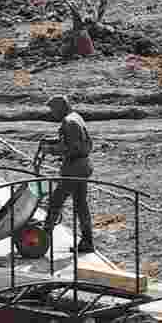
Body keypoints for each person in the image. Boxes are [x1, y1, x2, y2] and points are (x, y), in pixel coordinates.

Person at [42, 95, 95, 253]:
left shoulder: (68, 122)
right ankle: (87, 241)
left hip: (74, 168)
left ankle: (42, 241)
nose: (52, 113)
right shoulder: (75, 117)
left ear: (60, 108)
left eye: (53, 110)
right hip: (83, 166)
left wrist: (51, 150)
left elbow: (73, 148)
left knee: (55, 201)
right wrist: (53, 141)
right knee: (80, 205)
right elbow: (74, 141)